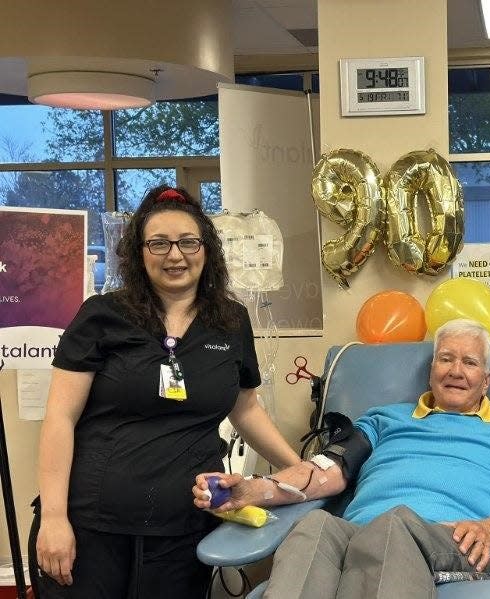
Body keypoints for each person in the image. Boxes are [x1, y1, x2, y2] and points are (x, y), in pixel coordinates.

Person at [31, 185, 301, 598]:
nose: (175, 255)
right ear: (139, 253)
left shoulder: (230, 320)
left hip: (184, 529)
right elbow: (59, 418)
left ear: (206, 249)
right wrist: (53, 518)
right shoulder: (103, 317)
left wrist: (301, 474)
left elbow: (245, 407)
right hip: (92, 525)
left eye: (188, 242)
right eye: (158, 243)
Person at [194, 319, 490, 599]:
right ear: (431, 371)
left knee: (395, 525)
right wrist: (255, 489)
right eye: (446, 359)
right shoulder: (384, 418)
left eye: (470, 363)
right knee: (315, 527)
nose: (456, 371)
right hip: (360, 537)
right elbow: (328, 469)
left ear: (487, 381)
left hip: (456, 546)